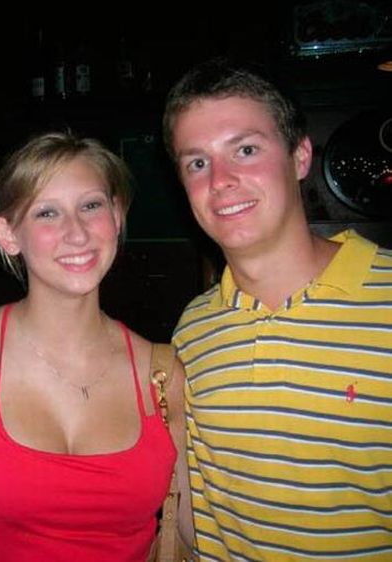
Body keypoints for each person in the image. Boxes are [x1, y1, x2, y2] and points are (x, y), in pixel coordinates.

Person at [162, 58, 392, 560]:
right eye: (197, 163)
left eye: (245, 150)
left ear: (299, 156)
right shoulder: (190, 333)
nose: (220, 180)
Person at [0, 132, 193, 561]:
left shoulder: (162, 374)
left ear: (117, 216)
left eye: (91, 206)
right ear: (7, 234)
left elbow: (195, 530)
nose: (77, 233)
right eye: (47, 213)